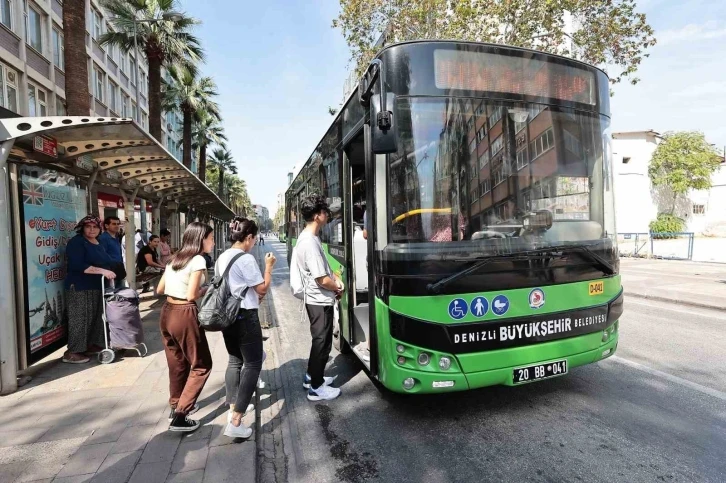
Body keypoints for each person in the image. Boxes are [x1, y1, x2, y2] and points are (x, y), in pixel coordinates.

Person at [215, 217, 276, 439]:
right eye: (254, 237)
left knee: (234, 361)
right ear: (248, 237)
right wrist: (268, 267)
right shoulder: (245, 258)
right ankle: (236, 420)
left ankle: (233, 407)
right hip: (244, 317)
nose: (254, 241)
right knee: (253, 363)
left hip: (227, 316)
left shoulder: (223, 257)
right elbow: (261, 289)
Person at [155, 222, 214, 432]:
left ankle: (175, 404)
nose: (213, 242)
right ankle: (181, 415)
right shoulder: (197, 259)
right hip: (185, 313)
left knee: (177, 363)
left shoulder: (175, 258)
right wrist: (206, 288)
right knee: (202, 364)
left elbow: (160, 289)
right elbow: (191, 295)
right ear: (201, 239)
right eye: (211, 238)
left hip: (167, 312)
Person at [290, 194, 343, 401]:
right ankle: (316, 388)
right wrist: (337, 285)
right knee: (322, 342)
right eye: (325, 211)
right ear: (317, 215)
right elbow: (322, 279)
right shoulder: (309, 243)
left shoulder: (308, 237)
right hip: (319, 300)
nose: (328, 215)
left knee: (319, 341)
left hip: (316, 299)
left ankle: (311, 376)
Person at [63, 215, 117, 364]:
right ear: (82, 228)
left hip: (96, 286)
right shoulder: (77, 242)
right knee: (80, 319)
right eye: (88, 227)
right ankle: (73, 352)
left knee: (95, 318)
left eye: (95, 227)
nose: (92, 230)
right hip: (80, 286)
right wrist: (103, 271)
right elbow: (77, 265)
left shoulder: (97, 242)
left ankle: (90, 345)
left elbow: (105, 260)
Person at [99, 216, 125, 286]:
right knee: (112, 294)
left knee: (121, 293)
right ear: (106, 226)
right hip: (110, 270)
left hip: (118, 268)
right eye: (114, 224)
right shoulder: (103, 238)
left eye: (118, 224)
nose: (117, 226)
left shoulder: (115, 237)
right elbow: (103, 256)